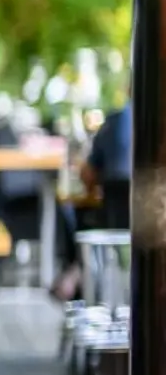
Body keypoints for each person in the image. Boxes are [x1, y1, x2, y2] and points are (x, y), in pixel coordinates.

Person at [51, 94, 132, 302]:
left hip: (115, 219)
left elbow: (87, 175)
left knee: (81, 220)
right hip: (150, 226)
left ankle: (75, 275)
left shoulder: (114, 121)